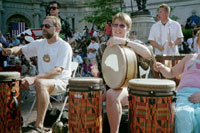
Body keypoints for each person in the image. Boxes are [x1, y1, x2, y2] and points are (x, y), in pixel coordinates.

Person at [2, 16, 72, 132]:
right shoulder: (40, 43)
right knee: (14, 83)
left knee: (40, 83)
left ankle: (38, 126)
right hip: (42, 81)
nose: (43, 28)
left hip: (61, 82)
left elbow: (57, 71)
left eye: (47, 26)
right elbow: (21, 49)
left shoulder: (64, 46)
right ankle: (14, 121)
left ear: (57, 28)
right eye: (43, 26)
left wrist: (34, 78)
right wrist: (10, 50)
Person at [104, 12, 151, 133]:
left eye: (122, 26)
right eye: (115, 25)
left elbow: (148, 54)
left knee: (111, 94)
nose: (118, 28)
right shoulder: (104, 47)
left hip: (131, 89)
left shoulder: (134, 45)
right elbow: (103, 71)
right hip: (109, 86)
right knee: (89, 95)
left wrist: (124, 42)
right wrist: (94, 69)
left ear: (128, 29)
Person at [154, 54, 200, 133]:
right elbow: (171, 72)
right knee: (183, 113)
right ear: (198, 43)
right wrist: (162, 68)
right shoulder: (190, 57)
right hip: (183, 94)